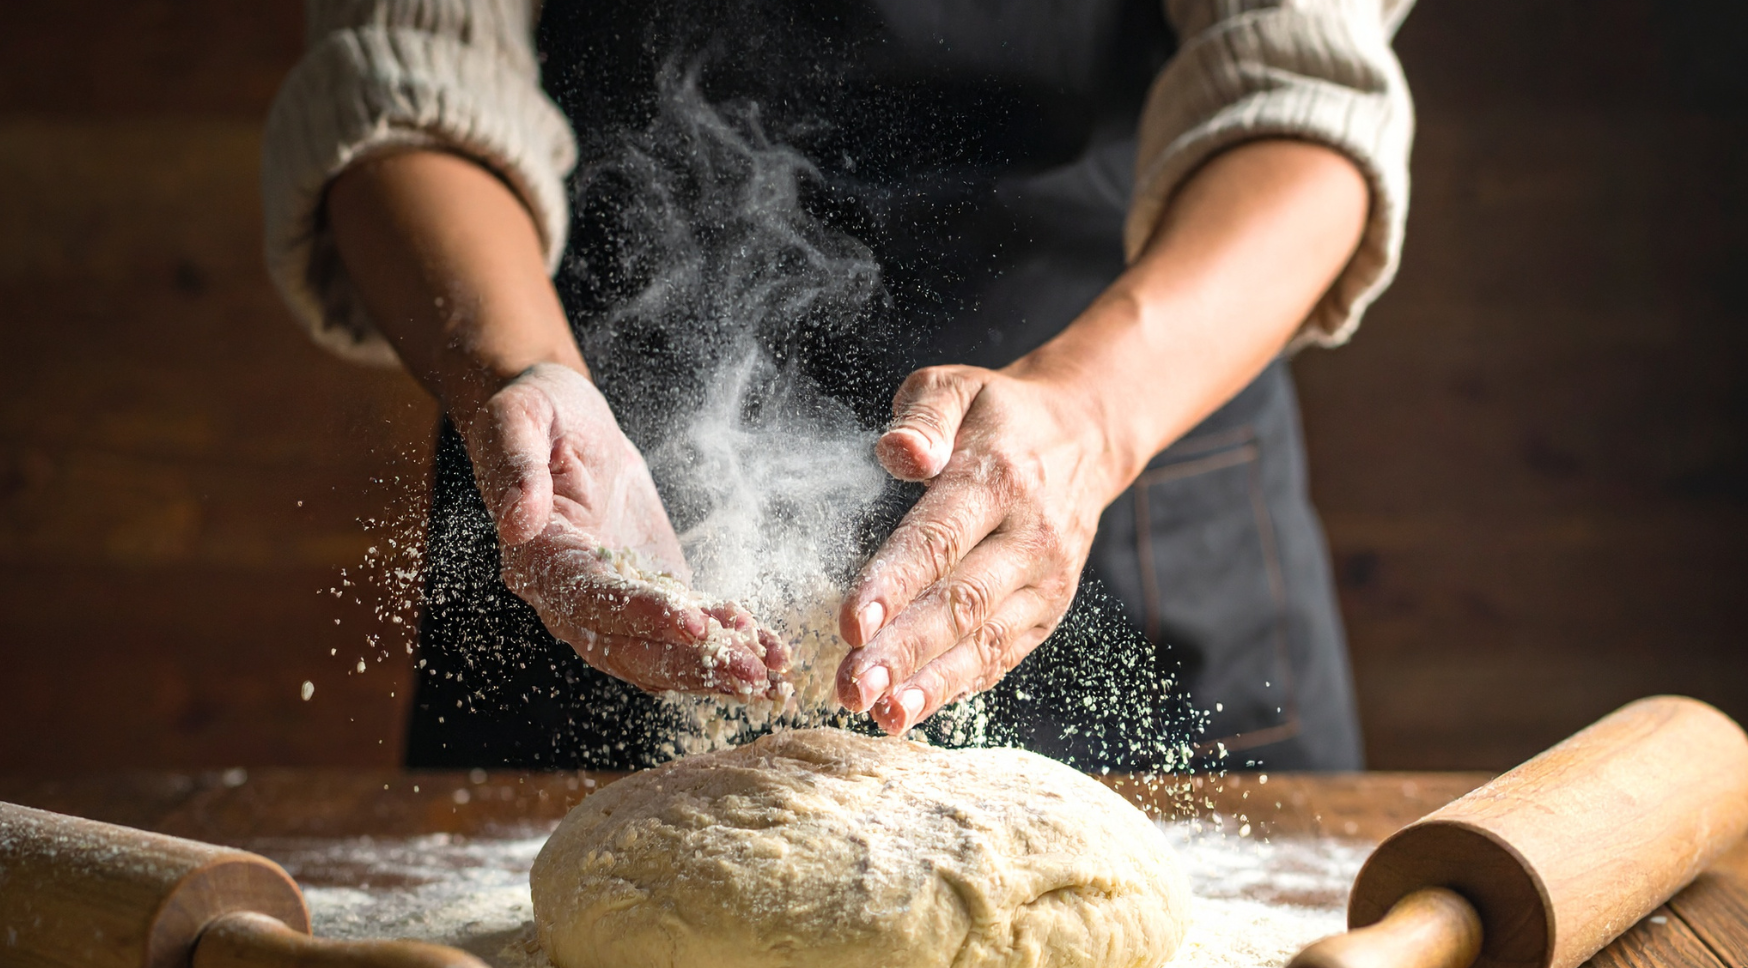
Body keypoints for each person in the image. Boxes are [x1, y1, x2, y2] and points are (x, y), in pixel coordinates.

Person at [262, 0, 1415, 772]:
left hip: (1127, 461)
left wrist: (1090, 418)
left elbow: (1301, 95)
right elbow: (409, 81)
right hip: (604, 522)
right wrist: (524, 374)